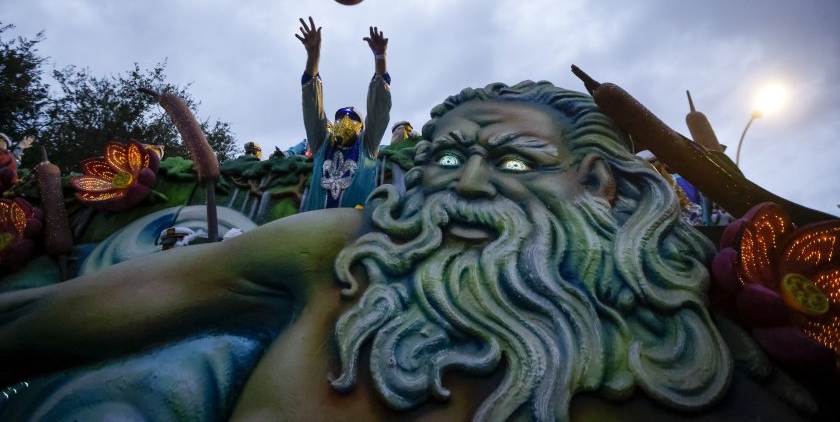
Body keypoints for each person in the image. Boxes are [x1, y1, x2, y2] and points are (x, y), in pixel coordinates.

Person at [0, 81, 816, 421]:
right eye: (449, 157)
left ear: (599, 183)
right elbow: (37, 321)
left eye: (515, 163)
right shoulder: (339, 250)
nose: (468, 184)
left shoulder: (714, 322)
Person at [296, 16, 391, 211]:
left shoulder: (367, 145)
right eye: (340, 117)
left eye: (353, 118)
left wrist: (380, 58)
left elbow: (379, 109)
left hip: (354, 226)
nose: (345, 120)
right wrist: (313, 56)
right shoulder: (321, 143)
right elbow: (312, 107)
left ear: (362, 127)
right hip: (314, 223)